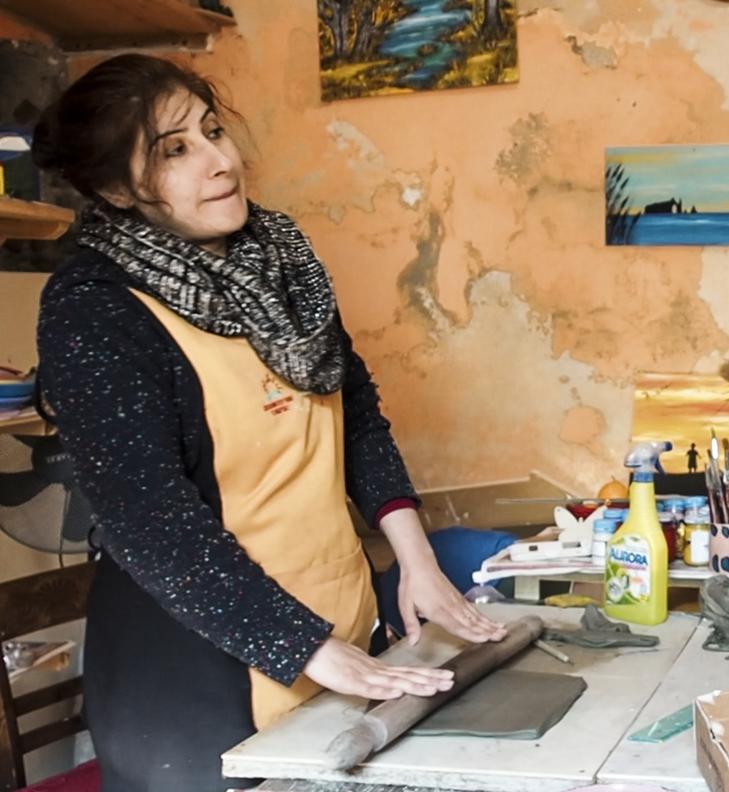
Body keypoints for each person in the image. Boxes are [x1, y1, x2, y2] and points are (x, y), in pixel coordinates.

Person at [32, 54, 507, 791]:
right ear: (113, 188)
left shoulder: (283, 266)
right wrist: (301, 645)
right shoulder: (93, 306)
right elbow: (147, 520)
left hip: (334, 630)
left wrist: (416, 560)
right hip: (195, 671)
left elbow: (357, 419)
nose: (221, 161)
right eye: (176, 150)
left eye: (214, 131)